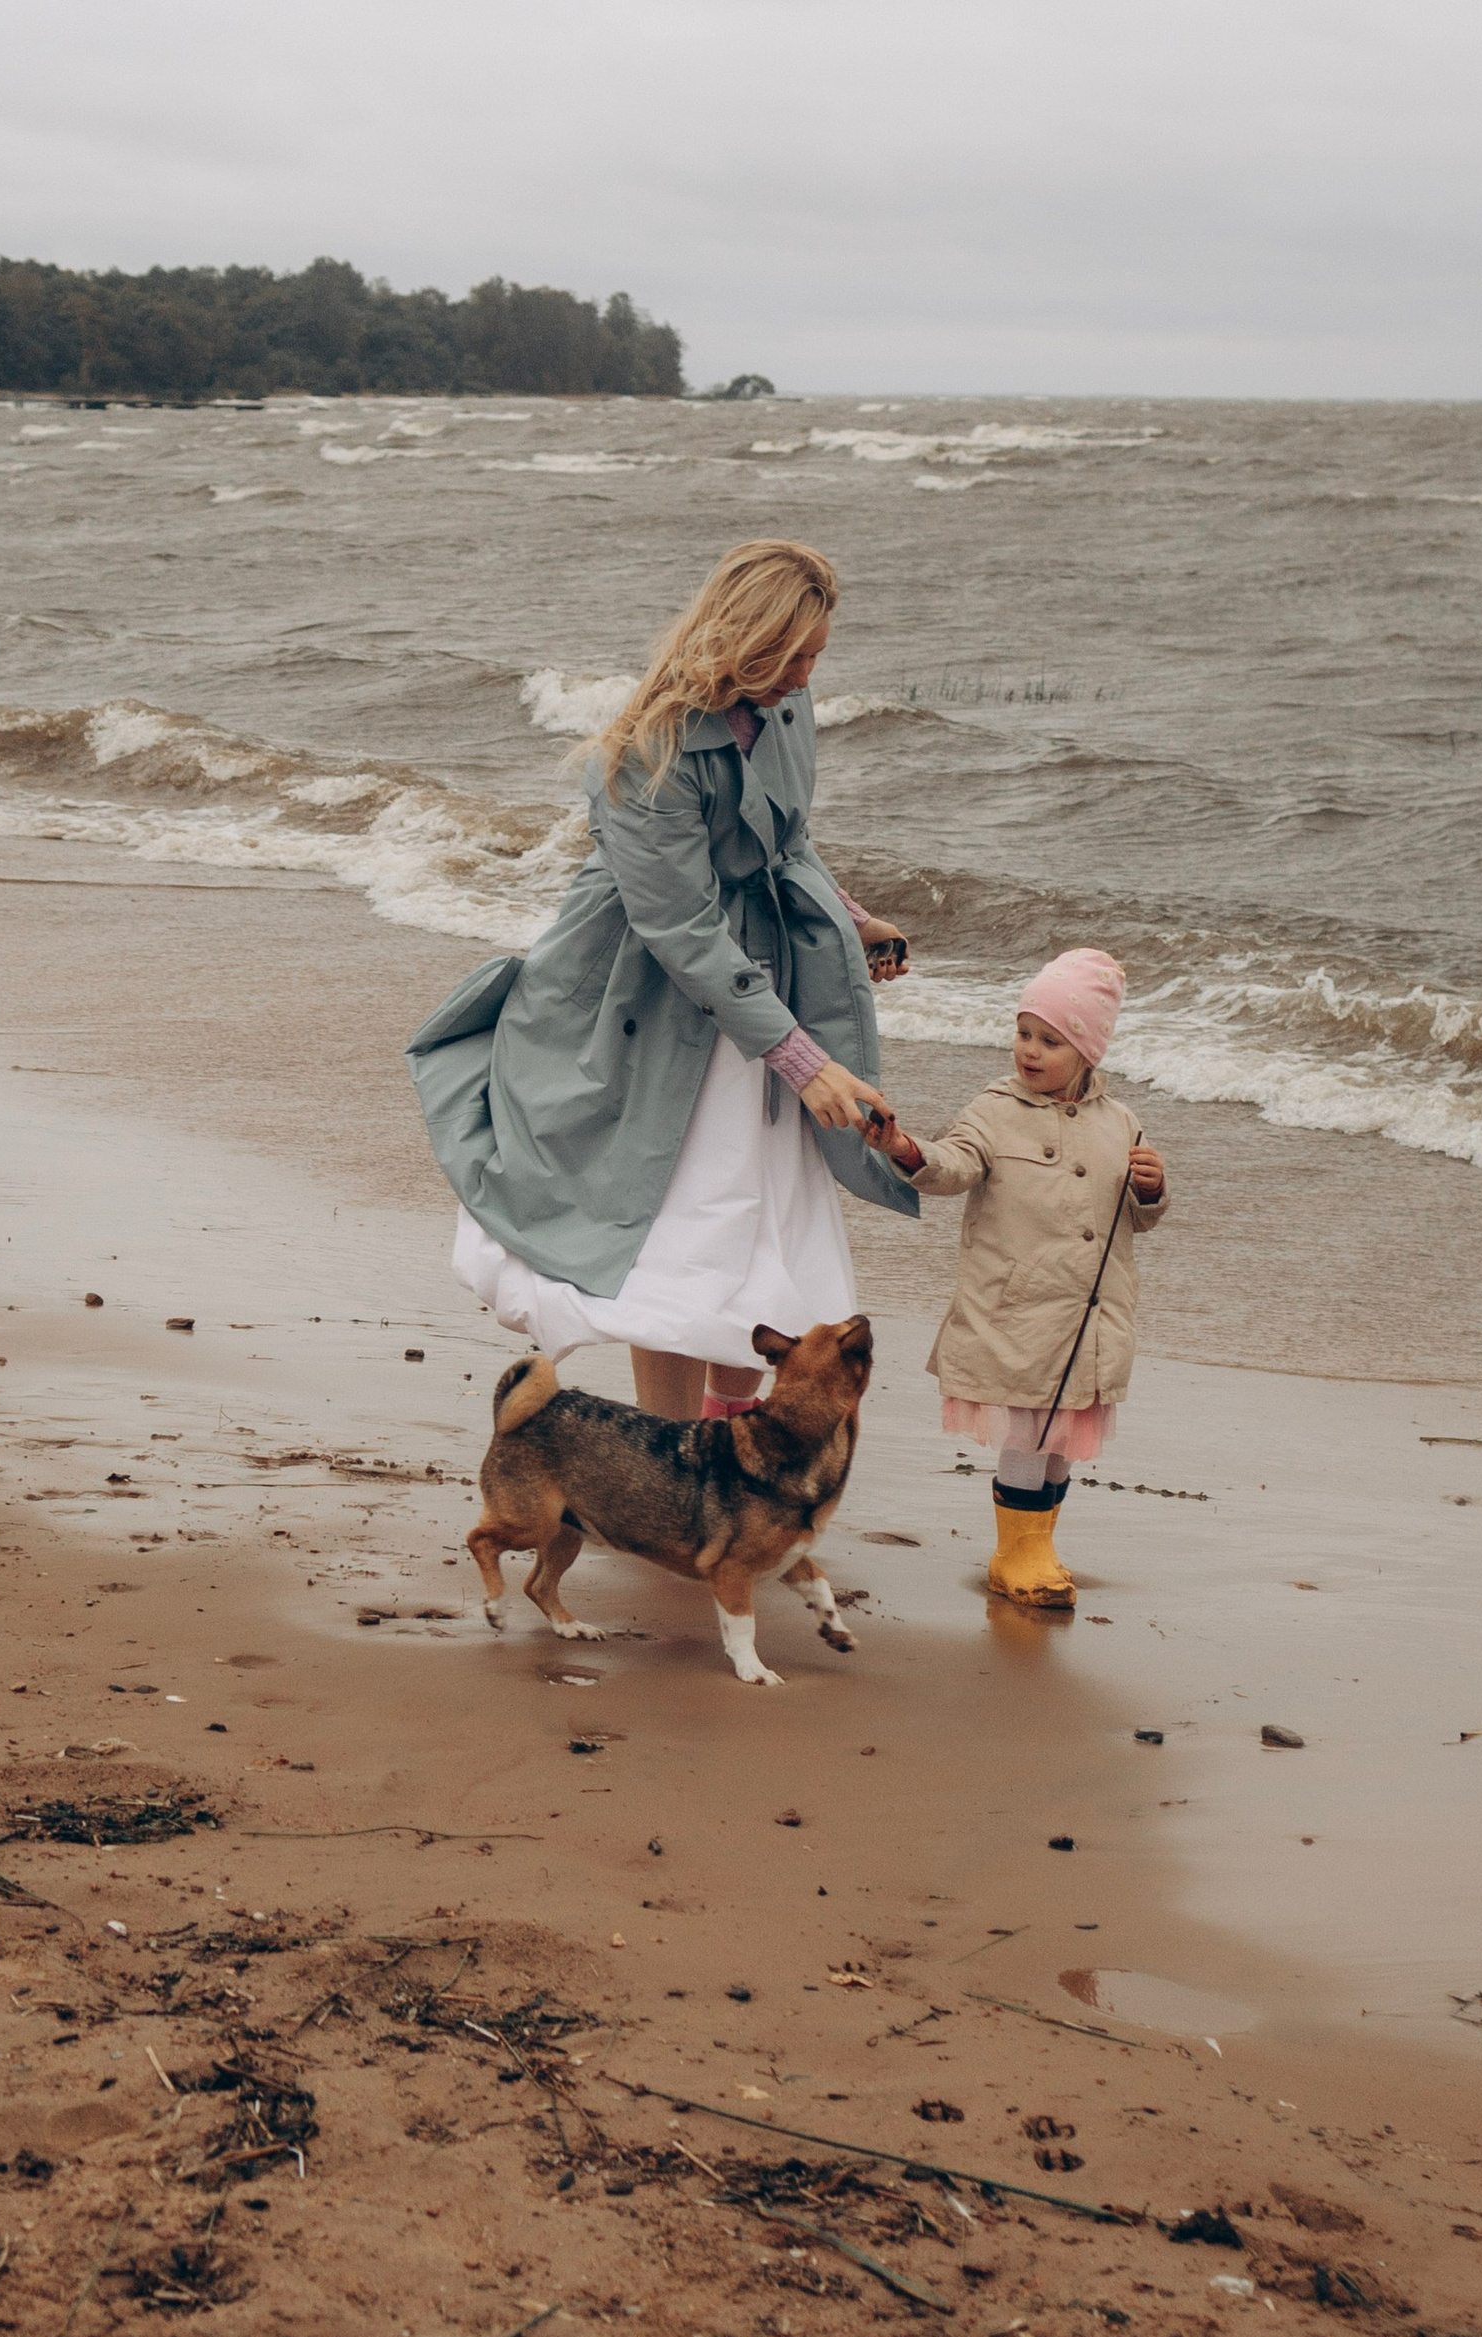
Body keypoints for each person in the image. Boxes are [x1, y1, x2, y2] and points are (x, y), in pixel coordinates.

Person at [407, 538, 918, 1425]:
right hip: (649, 999)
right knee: (680, 1235)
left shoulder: (787, 711)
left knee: (758, 1233)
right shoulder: (650, 753)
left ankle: (725, 1441)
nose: (805, 677)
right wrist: (808, 1066)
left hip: (754, 986)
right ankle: (680, 1457)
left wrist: (852, 915)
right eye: (792, 656)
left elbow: (785, 840)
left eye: (816, 657)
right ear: (743, 641)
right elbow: (683, 932)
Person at [879, 948, 1168, 1611]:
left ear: (1088, 1051)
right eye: (1024, 1033)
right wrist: (905, 1148)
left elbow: (1138, 1219)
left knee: (1061, 1439)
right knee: (1030, 1432)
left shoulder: (1120, 1123)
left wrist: (1152, 1190)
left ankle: (1039, 1543)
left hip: (1089, 1317)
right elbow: (951, 1167)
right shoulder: (994, 1110)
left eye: (1051, 1040)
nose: (1030, 1051)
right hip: (1020, 1308)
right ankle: (1016, 1551)